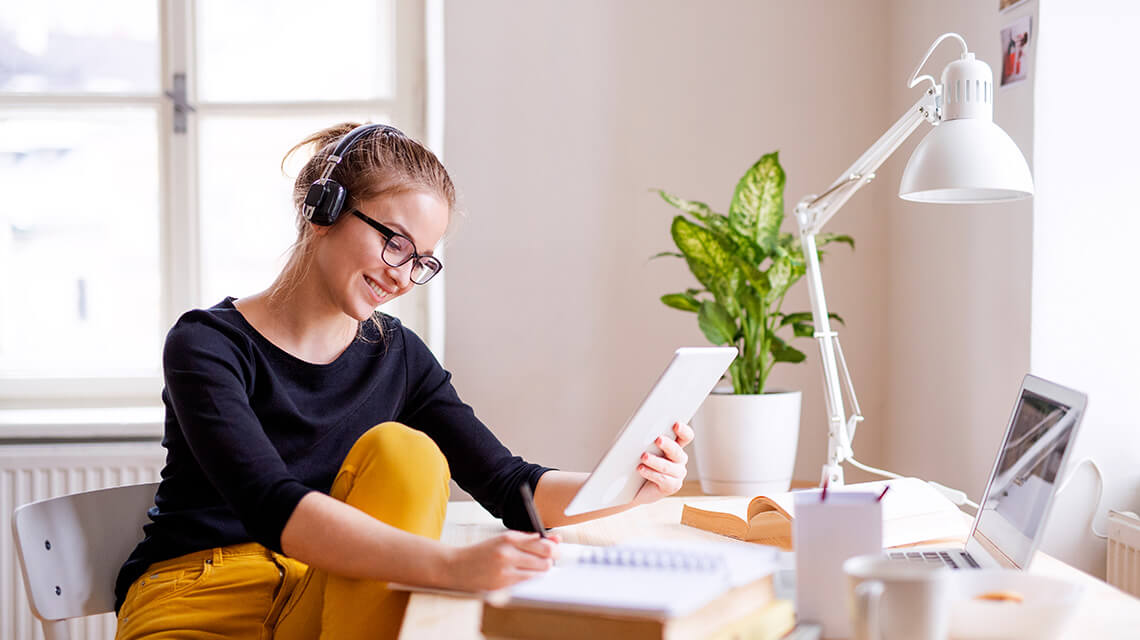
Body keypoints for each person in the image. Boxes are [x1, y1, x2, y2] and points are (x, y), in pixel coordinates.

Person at [113, 122, 694, 640]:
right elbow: (270, 503)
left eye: (421, 260)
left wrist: (626, 484)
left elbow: (511, 486)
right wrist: (448, 567)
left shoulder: (398, 355)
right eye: (394, 241)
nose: (403, 275)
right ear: (325, 210)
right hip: (199, 594)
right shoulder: (207, 344)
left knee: (406, 452)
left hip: (322, 593)